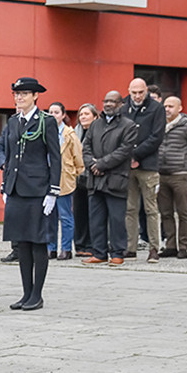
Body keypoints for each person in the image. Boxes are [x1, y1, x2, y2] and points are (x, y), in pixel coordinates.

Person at [0, 78, 60, 310]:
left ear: (35, 96)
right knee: (21, 244)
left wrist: (53, 191)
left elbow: (55, 157)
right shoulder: (13, 121)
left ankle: (37, 294)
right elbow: (9, 153)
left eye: (24, 93)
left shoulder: (46, 121)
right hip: (16, 189)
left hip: (37, 190)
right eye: (16, 94)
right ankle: (25, 293)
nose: (19, 97)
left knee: (37, 242)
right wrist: (5, 184)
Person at [81, 91, 137, 266]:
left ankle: (118, 253)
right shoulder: (95, 125)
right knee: (96, 218)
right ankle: (99, 253)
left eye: (113, 101)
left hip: (115, 179)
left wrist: (102, 164)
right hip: (95, 180)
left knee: (116, 219)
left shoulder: (128, 125)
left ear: (121, 104)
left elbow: (124, 150)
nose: (108, 104)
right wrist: (92, 164)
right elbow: (86, 147)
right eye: (106, 101)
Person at [121, 78, 165, 264]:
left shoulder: (156, 108)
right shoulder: (123, 108)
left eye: (141, 92)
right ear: (129, 91)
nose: (137, 96)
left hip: (148, 164)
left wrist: (136, 156)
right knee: (129, 208)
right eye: (134, 93)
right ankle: (130, 247)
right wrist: (127, 156)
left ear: (146, 91)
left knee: (150, 208)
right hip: (126, 165)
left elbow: (157, 136)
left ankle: (154, 247)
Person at [158, 96, 187, 259]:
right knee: (165, 212)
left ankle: (183, 246)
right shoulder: (158, 125)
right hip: (161, 174)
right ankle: (170, 245)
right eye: (165, 106)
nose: (167, 109)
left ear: (180, 108)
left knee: (183, 212)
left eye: (171, 106)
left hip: (180, 175)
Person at [48, 102, 84, 260]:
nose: (53, 115)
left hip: (64, 178)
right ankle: (51, 248)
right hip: (48, 178)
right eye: (50, 112)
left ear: (63, 115)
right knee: (49, 215)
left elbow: (78, 158)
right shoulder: (45, 131)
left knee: (65, 215)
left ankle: (66, 248)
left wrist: (73, 174)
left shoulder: (69, 134)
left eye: (56, 112)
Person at [72, 103, 98, 257]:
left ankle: (93, 245)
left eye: (87, 114)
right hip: (78, 178)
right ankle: (81, 245)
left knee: (94, 213)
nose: (83, 117)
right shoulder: (75, 134)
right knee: (79, 212)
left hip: (95, 176)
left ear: (95, 117)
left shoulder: (100, 132)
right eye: (81, 114)